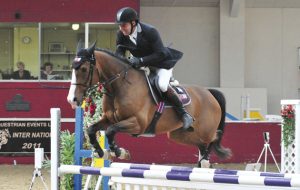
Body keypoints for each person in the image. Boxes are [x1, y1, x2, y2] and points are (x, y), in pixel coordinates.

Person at [115, 7, 193, 131]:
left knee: (162, 85)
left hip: (161, 64)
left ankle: (184, 114)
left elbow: (161, 53)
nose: (121, 28)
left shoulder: (150, 31)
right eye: (119, 26)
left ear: (133, 23)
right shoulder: (121, 34)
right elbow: (119, 52)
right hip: (143, 67)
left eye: (123, 25)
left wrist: (140, 60)